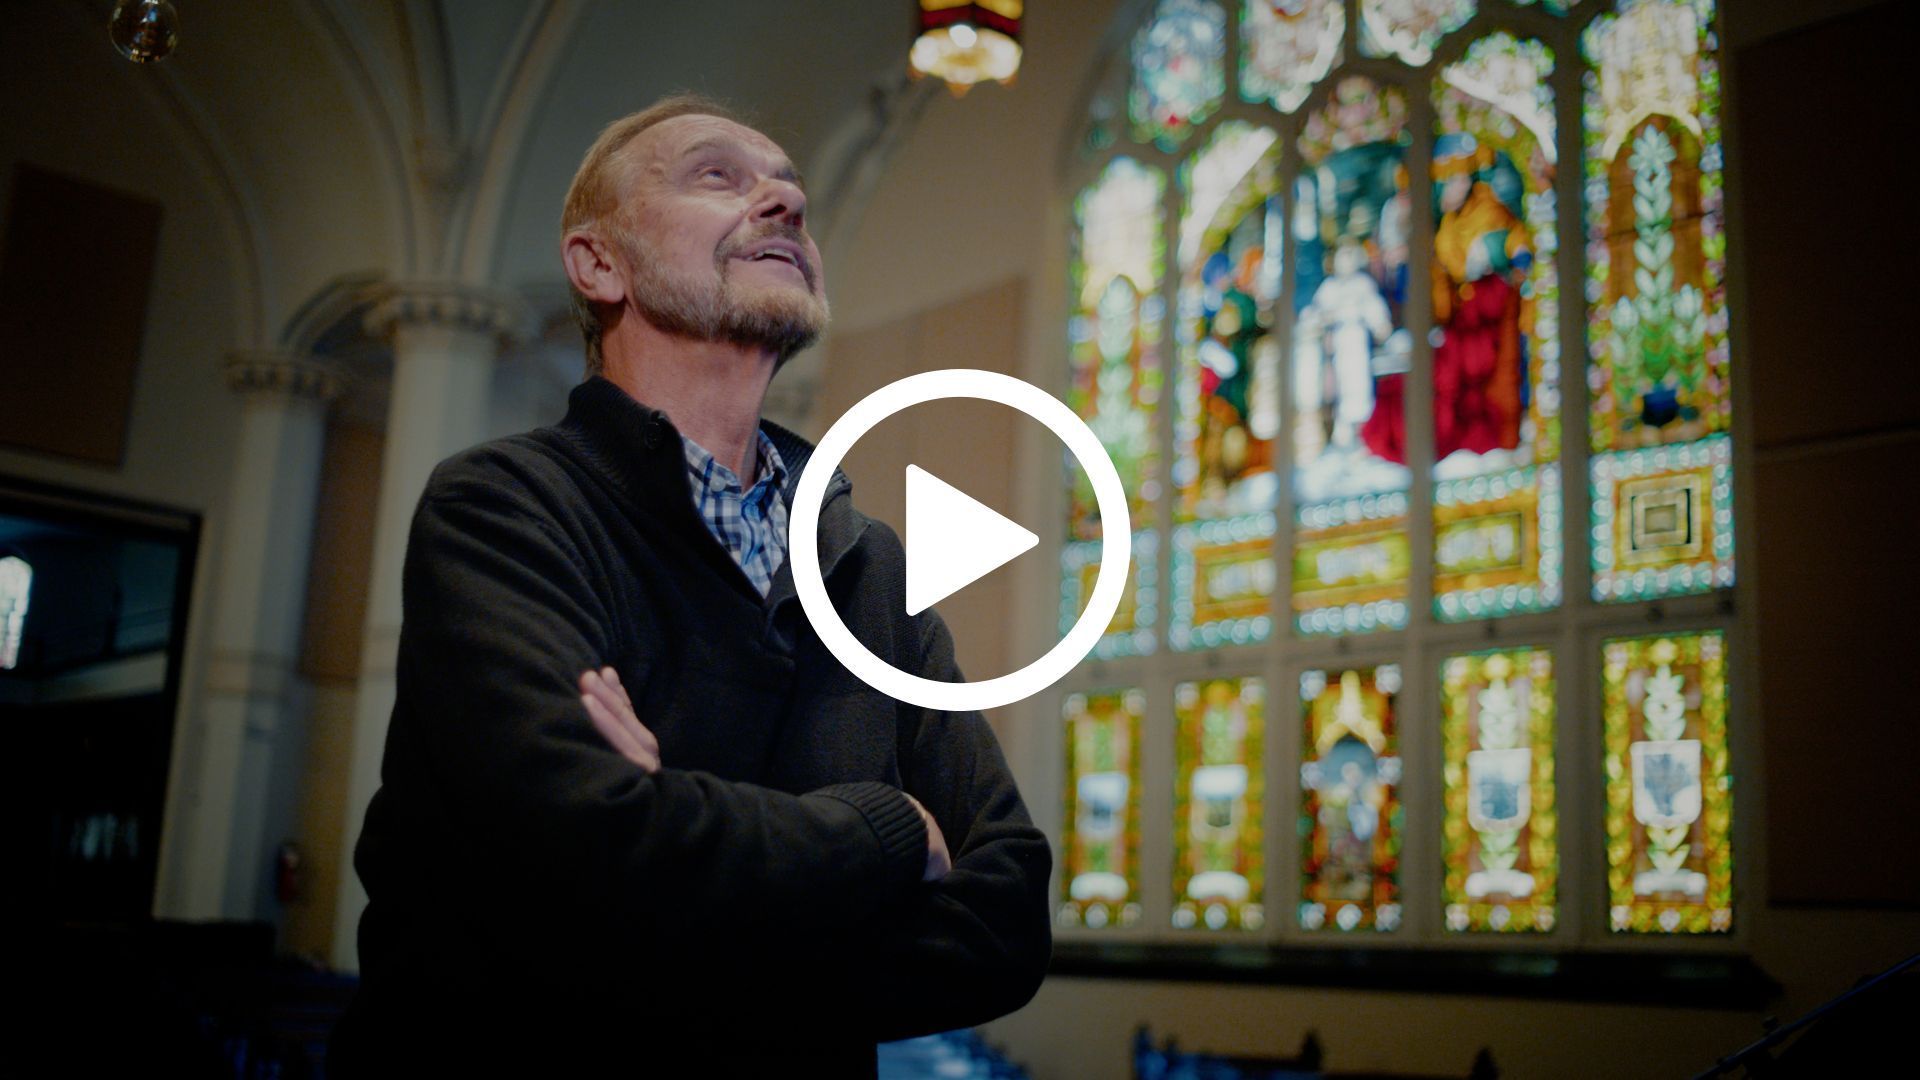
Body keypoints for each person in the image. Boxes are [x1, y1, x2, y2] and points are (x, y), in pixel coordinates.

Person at [327, 94, 1052, 1076]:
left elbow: (1009, 917)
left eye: (790, 187)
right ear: (598, 264)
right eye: (718, 176)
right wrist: (888, 831)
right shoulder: (503, 509)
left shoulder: (871, 567)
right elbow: (580, 850)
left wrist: (669, 890)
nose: (786, 201)